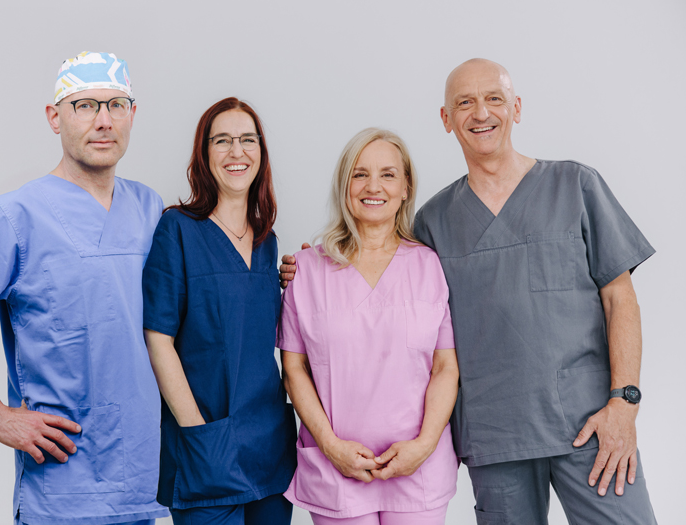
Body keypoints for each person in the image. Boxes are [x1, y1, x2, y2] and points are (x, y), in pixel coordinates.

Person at [0, 51, 169, 525]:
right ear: (55, 117)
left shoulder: (151, 209)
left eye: (116, 105)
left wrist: (292, 274)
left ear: (133, 114)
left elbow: (200, 297)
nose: (103, 121)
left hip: (141, 483)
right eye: (84, 105)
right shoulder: (15, 216)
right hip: (63, 488)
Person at [411, 59, 657, 524]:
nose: (480, 112)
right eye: (464, 102)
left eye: (494, 98)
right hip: (495, 433)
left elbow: (620, 298)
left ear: (516, 108)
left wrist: (624, 404)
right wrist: (313, 269)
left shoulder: (576, 185)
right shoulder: (433, 221)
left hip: (591, 425)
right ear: (446, 119)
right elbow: (389, 289)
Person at [278, 128, 459, 525]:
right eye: (359, 174)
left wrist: (425, 444)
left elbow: (445, 367)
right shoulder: (306, 270)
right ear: (344, 184)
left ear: (406, 186)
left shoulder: (430, 265)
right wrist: (330, 445)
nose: (373, 186)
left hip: (418, 467)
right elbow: (294, 370)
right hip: (336, 467)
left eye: (388, 174)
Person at [142, 97, 297, 525]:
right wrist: (196, 432)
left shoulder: (268, 242)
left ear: (260, 153)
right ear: (204, 153)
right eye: (222, 141)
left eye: (248, 140)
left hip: (267, 446)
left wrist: (305, 280)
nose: (236, 152)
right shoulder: (177, 229)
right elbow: (158, 339)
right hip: (205, 444)